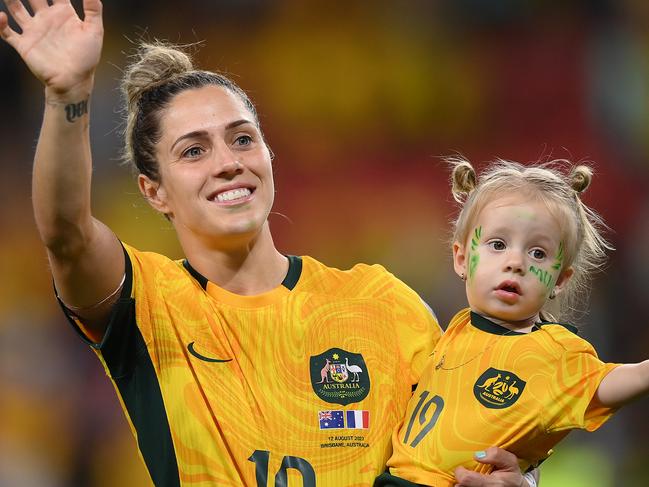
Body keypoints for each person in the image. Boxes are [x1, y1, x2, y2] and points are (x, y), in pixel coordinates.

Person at [0, 1, 535, 486]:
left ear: (268, 153)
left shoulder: (382, 301)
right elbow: (67, 236)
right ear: (154, 191)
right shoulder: (149, 306)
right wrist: (67, 95)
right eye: (193, 151)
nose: (228, 161)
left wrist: (516, 483)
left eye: (242, 137)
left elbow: (463, 448)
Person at [375, 157, 649, 486]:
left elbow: (613, 383)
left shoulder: (554, 353)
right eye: (498, 245)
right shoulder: (455, 330)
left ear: (559, 280)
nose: (516, 262)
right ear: (461, 259)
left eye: (537, 253)